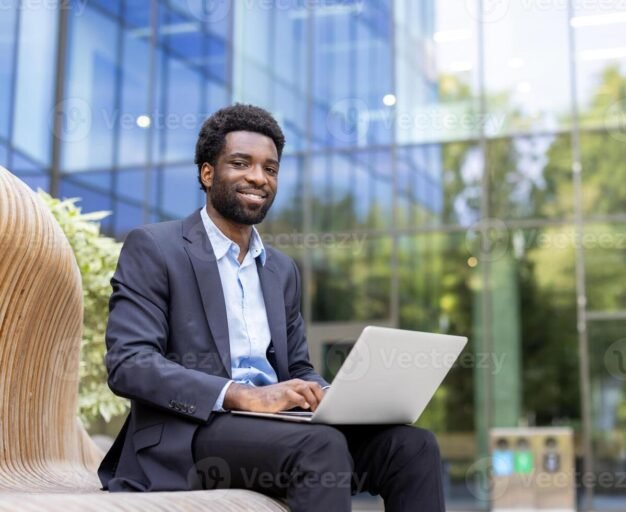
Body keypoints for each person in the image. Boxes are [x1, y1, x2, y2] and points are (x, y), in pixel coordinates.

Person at [98, 104, 445, 511]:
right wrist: (240, 395)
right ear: (207, 174)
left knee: (413, 446)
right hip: (192, 432)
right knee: (320, 447)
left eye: (270, 168)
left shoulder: (281, 269)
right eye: (241, 163)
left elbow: (297, 369)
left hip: (280, 430)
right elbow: (129, 363)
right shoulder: (156, 247)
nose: (258, 178)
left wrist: (330, 396)